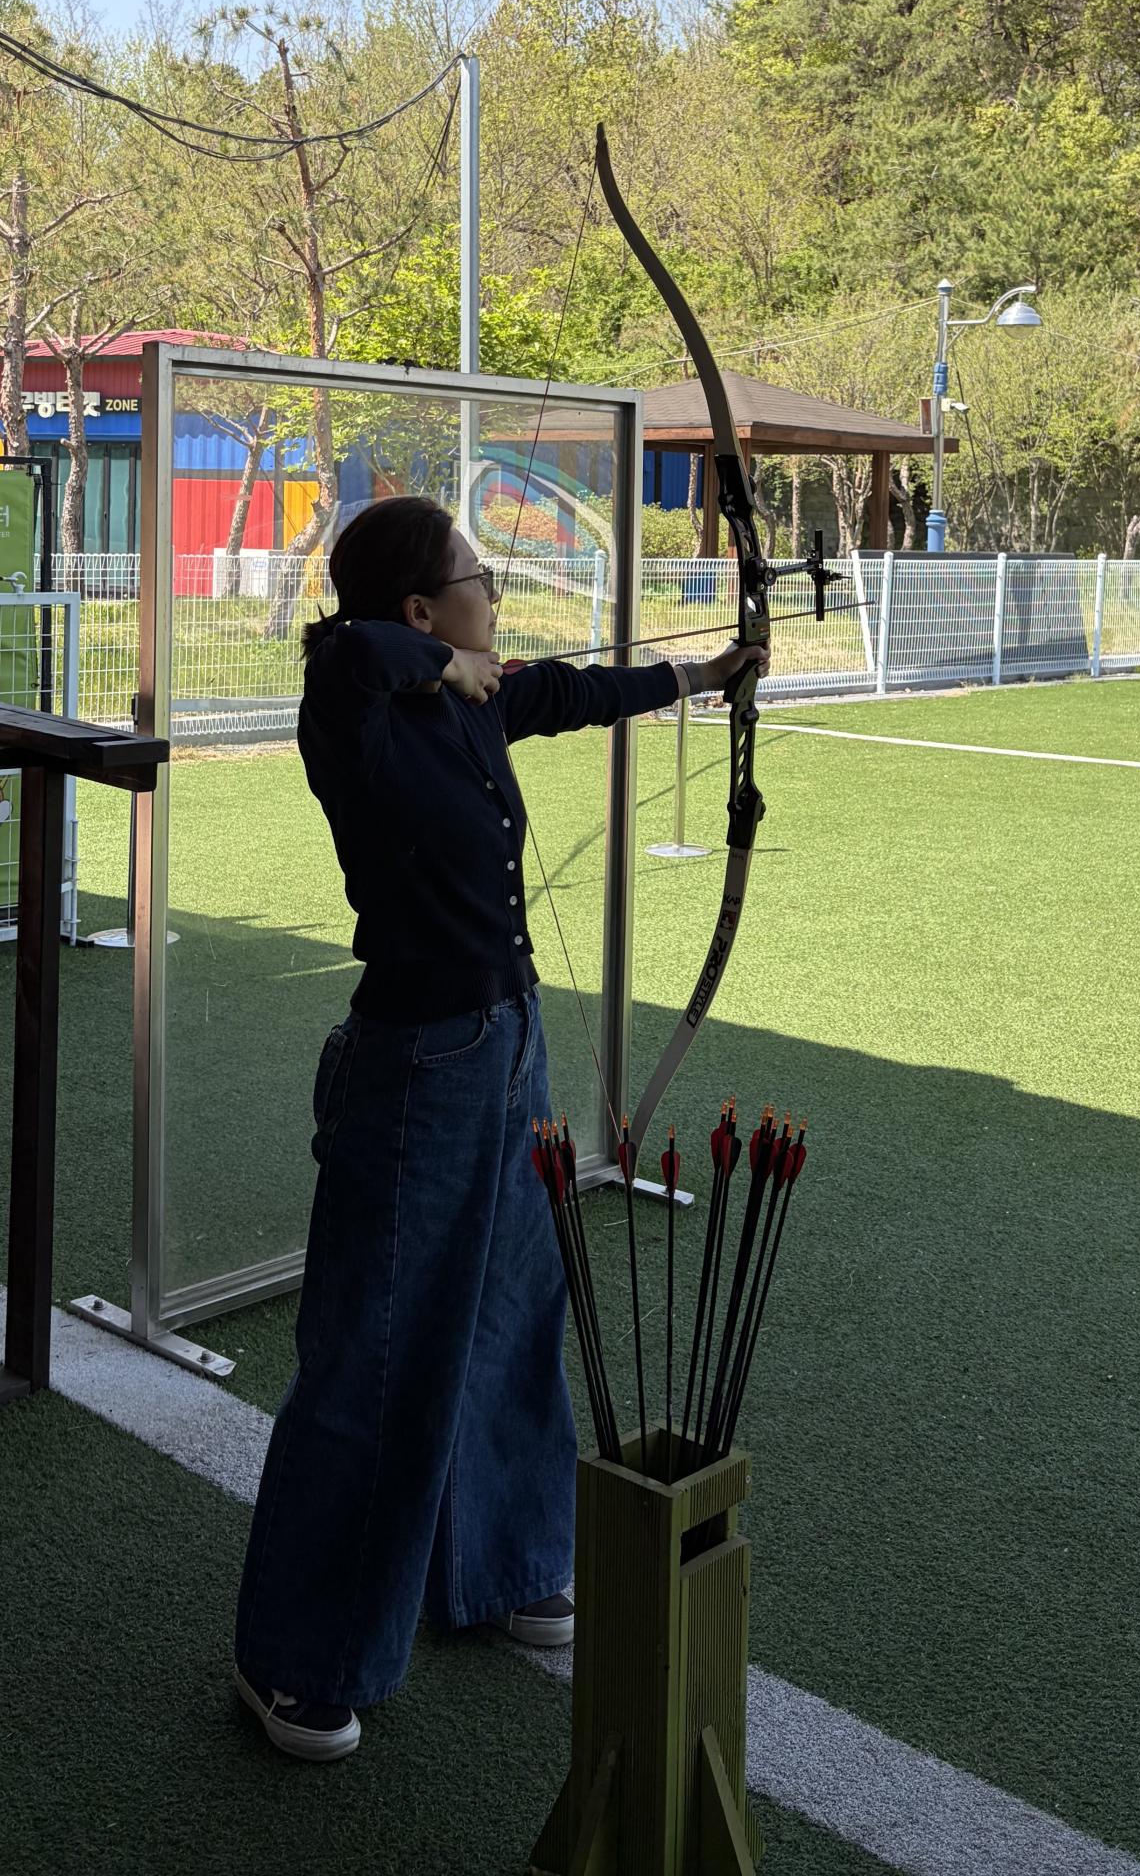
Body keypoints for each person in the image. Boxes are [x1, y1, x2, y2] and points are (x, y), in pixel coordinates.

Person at [233, 494, 762, 1761]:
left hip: (506, 1039)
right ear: (423, 610)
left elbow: (570, 691)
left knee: (513, 1306)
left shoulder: (469, 702)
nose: (496, 596)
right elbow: (342, 651)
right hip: (415, 1059)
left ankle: (503, 1564)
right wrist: (439, 664)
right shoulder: (357, 708)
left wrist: (704, 673)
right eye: (477, 580)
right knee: (375, 1349)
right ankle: (298, 1657)